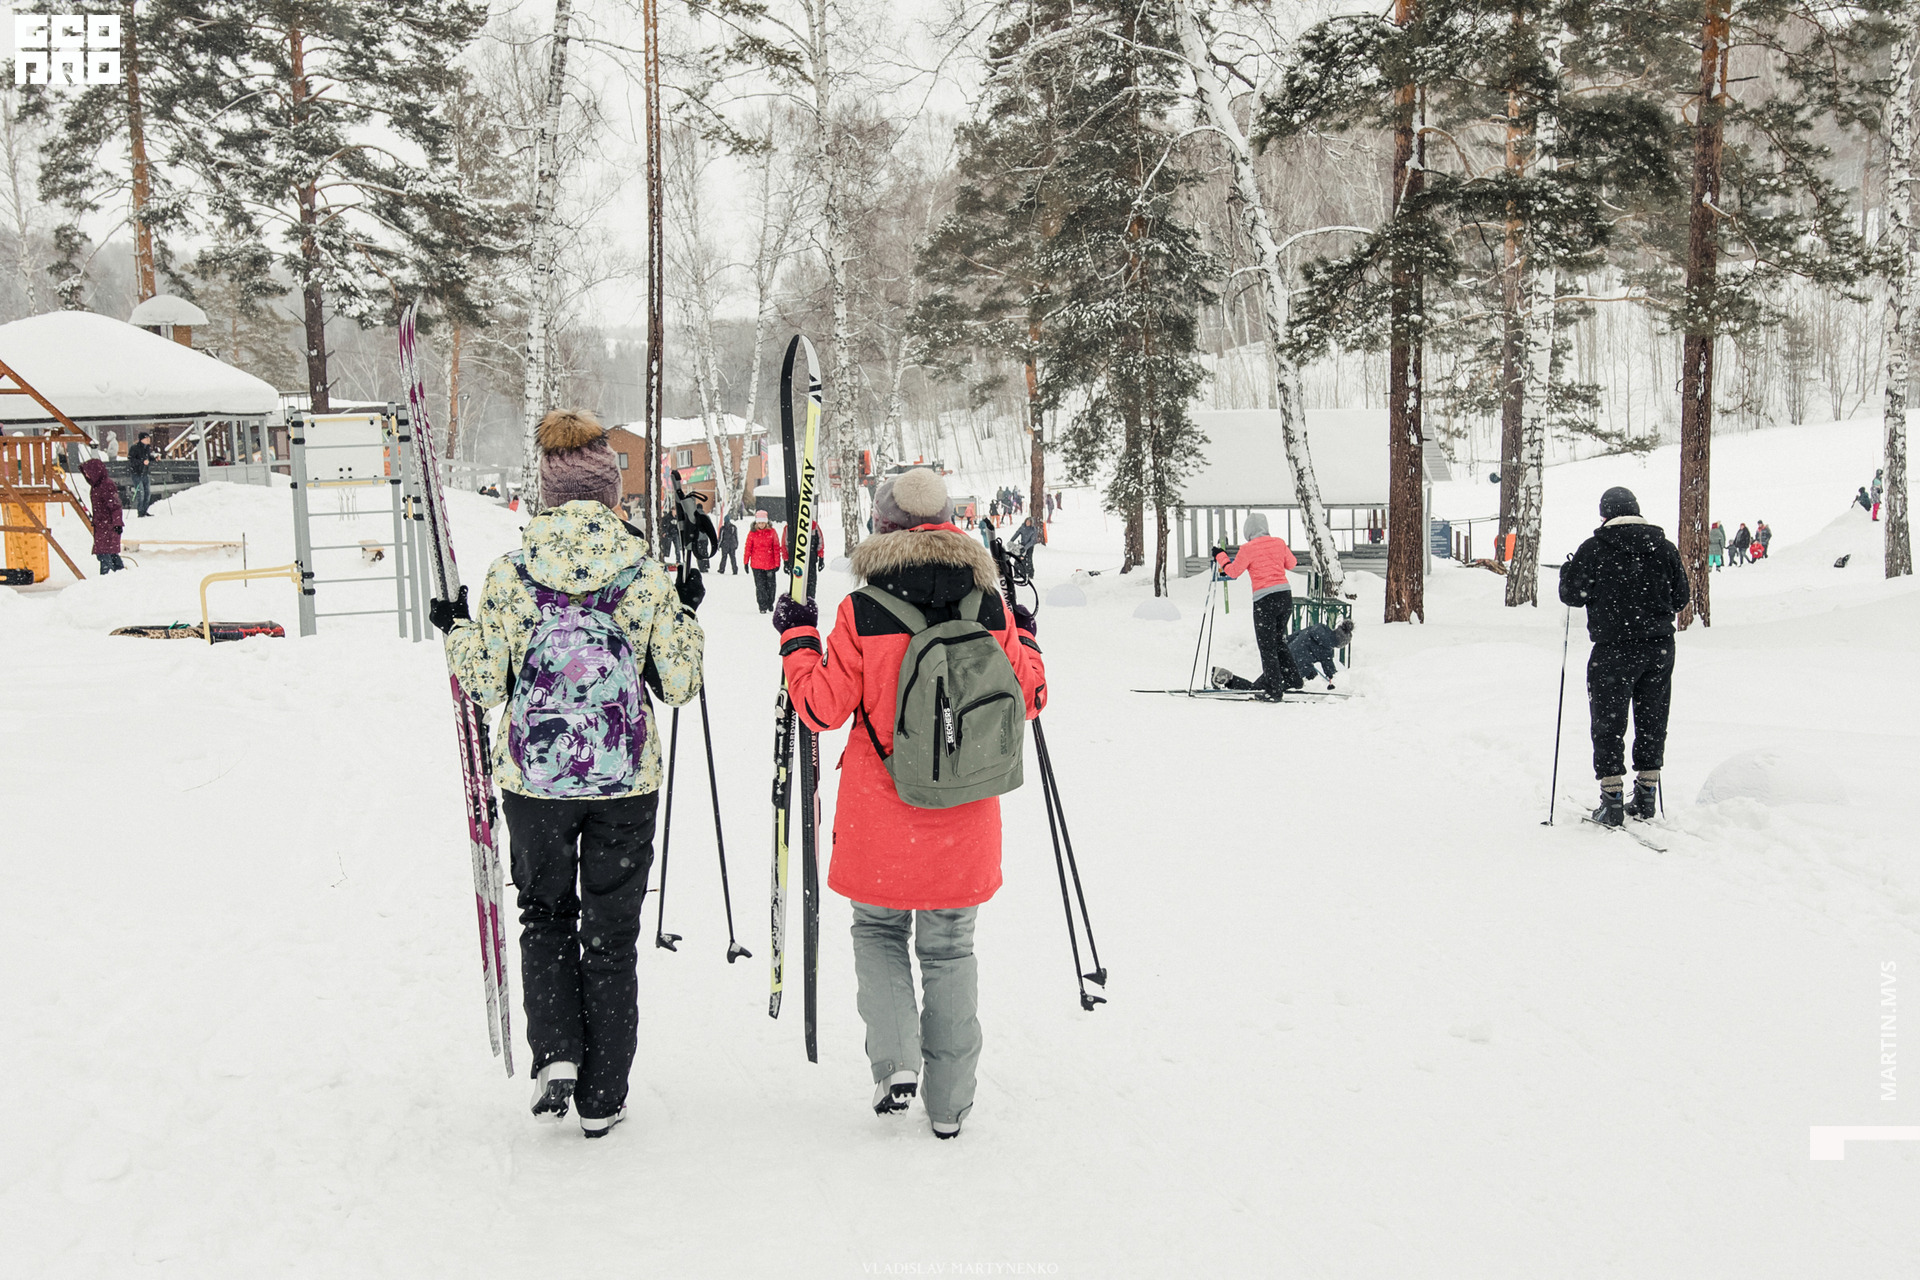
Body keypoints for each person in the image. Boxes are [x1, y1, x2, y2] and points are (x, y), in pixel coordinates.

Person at [430, 408, 705, 1140]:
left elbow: (488, 684)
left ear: (547, 495)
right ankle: (605, 1094)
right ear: (612, 494)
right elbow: (678, 685)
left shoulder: (510, 576)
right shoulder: (643, 573)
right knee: (611, 936)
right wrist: (686, 619)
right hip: (624, 784)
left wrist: (456, 632)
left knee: (543, 917)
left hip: (535, 782)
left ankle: (555, 1052)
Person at [770, 467, 1046, 1140]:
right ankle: (950, 1104)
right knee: (951, 950)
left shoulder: (862, 610)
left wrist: (797, 639)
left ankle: (894, 1063)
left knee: (879, 931)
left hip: (883, 811)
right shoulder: (987, 604)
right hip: (964, 810)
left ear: (882, 526)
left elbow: (820, 707)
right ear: (951, 523)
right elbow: (1029, 698)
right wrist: (1027, 633)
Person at [1557, 486, 1690, 828]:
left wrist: (1567, 572)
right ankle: (1646, 795)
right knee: (1652, 718)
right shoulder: (1663, 548)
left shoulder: (1594, 549)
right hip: (1658, 648)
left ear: (1605, 515)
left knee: (1608, 722)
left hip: (1613, 648)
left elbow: (1573, 595)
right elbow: (1680, 599)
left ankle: (1612, 800)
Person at [1207, 513, 1306, 701]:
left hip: (1265, 599)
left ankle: (1274, 690)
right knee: (1278, 641)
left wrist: (1220, 556)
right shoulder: (1278, 542)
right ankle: (1293, 679)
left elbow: (1233, 572)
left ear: (1248, 531)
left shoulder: (1248, 548)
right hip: (1285, 596)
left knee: (1267, 646)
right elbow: (1292, 564)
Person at [80, 458, 125, 573]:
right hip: (102, 526)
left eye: (88, 472)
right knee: (110, 553)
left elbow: (115, 506)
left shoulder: (106, 485)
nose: (86, 475)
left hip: (108, 526)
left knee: (104, 554)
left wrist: (117, 523)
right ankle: (120, 573)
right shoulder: (96, 486)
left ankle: (107, 577)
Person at [1287, 617, 1355, 686]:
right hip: (1300, 663)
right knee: (1309, 677)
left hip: (1288, 653)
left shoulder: (1319, 628)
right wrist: (1333, 679)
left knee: (1305, 672)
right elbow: (1328, 667)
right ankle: (1291, 684)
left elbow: (1296, 634)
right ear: (1341, 642)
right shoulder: (1327, 647)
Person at [744, 510, 783, 613]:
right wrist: (746, 561)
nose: (761, 525)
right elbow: (748, 547)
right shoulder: (752, 533)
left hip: (770, 564)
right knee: (760, 586)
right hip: (756, 565)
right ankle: (762, 606)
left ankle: (770, 602)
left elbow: (776, 548)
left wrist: (777, 563)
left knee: (771, 586)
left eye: (763, 522)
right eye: (759, 522)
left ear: (766, 522)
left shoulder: (772, 532)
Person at [127, 431, 155, 518]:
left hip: (145, 473)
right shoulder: (134, 448)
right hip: (136, 473)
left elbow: (148, 457)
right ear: (142, 439)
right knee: (141, 493)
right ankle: (140, 512)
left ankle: (144, 510)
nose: (148, 440)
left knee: (147, 493)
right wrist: (142, 462)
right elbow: (131, 461)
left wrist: (154, 458)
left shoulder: (147, 448)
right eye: (146, 438)